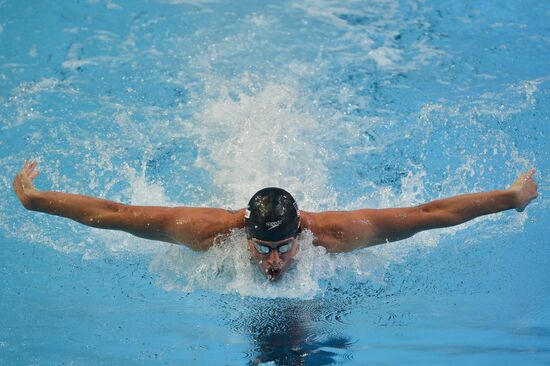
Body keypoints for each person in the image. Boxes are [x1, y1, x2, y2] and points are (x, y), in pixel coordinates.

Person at [14, 161, 539, 281]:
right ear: (245, 230)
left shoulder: (333, 235)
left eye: (284, 247)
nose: (275, 260)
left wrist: (510, 199)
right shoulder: (203, 231)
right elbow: (113, 215)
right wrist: (35, 201)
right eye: (263, 248)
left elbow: (429, 215)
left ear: (300, 233)